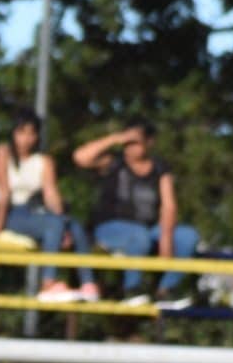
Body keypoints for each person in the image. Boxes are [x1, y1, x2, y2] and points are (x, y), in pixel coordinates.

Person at [76, 121, 196, 300]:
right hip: (110, 227)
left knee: (187, 237)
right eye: (127, 143)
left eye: (135, 142)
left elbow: (169, 205)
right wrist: (115, 138)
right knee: (139, 236)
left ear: (149, 143)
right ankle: (132, 288)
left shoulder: (160, 169)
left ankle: (166, 290)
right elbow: (80, 157)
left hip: (149, 228)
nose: (129, 147)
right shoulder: (114, 163)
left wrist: (166, 237)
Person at [0, 110, 89, 299]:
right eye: (21, 132)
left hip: (35, 213)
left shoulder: (44, 161)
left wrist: (64, 224)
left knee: (74, 226)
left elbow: (51, 195)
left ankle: (88, 283)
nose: (26, 139)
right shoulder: (2, 155)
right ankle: (48, 282)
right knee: (53, 224)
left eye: (31, 133)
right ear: (13, 133)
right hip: (12, 214)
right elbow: (4, 196)